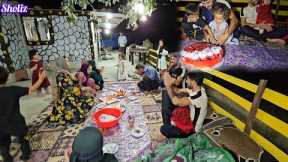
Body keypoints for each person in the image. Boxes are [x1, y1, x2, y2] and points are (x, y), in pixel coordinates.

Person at [0, 66, 47, 162]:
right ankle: (25, 156)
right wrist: (41, 78)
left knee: (3, 144)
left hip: (1, 126)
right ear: (6, 77)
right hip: (16, 122)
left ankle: (7, 158)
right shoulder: (12, 90)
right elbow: (31, 89)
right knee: (23, 139)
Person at [161, 71, 208, 138]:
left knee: (163, 129)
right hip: (189, 117)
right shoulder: (197, 88)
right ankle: (168, 122)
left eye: (187, 80)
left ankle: (168, 125)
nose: (186, 82)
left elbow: (175, 101)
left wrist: (168, 85)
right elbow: (177, 90)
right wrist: (172, 83)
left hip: (192, 129)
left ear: (193, 82)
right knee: (167, 93)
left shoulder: (198, 97)